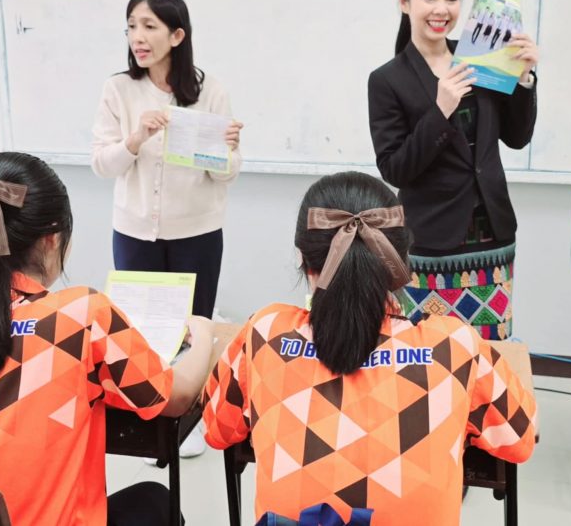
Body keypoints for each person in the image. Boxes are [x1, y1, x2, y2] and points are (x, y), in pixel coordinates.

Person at [0, 152, 215, 526]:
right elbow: (176, 397)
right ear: (52, 239)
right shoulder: (79, 316)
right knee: (155, 501)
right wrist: (204, 334)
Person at [202, 171, 536, 526]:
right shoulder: (455, 346)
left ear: (302, 257)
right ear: (401, 261)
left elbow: (217, 429)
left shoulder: (265, 332)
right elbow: (519, 439)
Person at [92, 0, 241, 458]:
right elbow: (102, 165)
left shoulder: (209, 90)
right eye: (131, 26)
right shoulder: (118, 89)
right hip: (135, 229)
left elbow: (225, 175)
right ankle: (145, 408)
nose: (138, 37)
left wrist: (226, 149)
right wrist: (135, 138)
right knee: (139, 329)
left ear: (177, 36)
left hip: (197, 230)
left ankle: (191, 415)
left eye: (149, 26)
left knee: (194, 327)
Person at [368, 0, 539, 340]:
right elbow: (395, 168)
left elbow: (516, 137)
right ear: (404, 2)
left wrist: (524, 78)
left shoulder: (482, 58)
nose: (441, 9)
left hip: (492, 236)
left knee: (488, 351)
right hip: (429, 243)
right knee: (423, 354)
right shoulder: (387, 80)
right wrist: (440, 110)